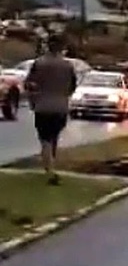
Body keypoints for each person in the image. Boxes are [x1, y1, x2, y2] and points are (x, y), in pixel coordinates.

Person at [24, 36, 77, 185]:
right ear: (61, 48)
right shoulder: (67, 66)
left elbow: (29, 84)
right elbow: (72, 86)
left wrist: (33, 99)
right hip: (61, 107)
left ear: (47, 46)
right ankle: (51, 165)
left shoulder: (39, 63)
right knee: (54, 136)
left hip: (43, 106)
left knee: (45, 138)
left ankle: (50, 171)